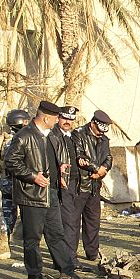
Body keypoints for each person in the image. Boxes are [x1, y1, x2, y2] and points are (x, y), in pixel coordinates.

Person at [2, 100, 85, 279]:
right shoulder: (24, 136)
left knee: (57, 234)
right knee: (32, 239)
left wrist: (58, 168)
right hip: (32, 196)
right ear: (46, 118)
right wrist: (33, 177)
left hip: (51, 193)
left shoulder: (49, 136)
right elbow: (11, 162)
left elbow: (45, 160)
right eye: (56, 118)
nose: (57, 121)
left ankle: (68, 272)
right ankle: (35, 277)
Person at [71, 110, 113, 262]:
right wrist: (97, 169)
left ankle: (92, 253)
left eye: (104, 131)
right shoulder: (78, 134)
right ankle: (70, 255)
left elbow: (109, 157)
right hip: (80, 184)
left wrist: (103, 170)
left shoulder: (104, 139)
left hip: (95, 186)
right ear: (93, 123)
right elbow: (80, 157)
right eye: (99, 130)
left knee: (93, 221)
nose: (101, 133)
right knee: (73, 222)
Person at [0, 109, 30, 259]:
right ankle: (26, 245)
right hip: (20, 183)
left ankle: (4, 240)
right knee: (27, 213)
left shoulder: (5, 139)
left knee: (8, 212)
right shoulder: (20, 139)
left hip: (6, 182)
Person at [48, 106, 82, 266]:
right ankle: (68, 260)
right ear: (58, 118)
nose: (67, 122)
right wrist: (59, 176)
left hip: (75, 182)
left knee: (73, 221)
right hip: (63, 184)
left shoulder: (72, 136)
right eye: (64, 118)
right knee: (67, 222)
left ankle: (70, 257)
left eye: (71, 119)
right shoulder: (53, 136)